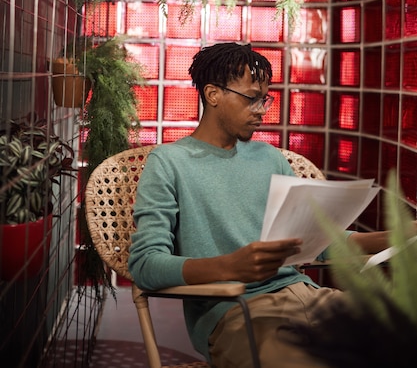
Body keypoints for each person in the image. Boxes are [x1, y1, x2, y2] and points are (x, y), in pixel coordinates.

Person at [128, 42, 393, 368]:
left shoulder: (269, 157)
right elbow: (144, 266)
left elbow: (319, 243)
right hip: (236, 311)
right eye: (252, 98)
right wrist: (230, 266)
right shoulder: (169, 163)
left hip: (309, 296)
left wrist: (396, 237)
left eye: (265, 98)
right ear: (213, 95)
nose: (262, 109)